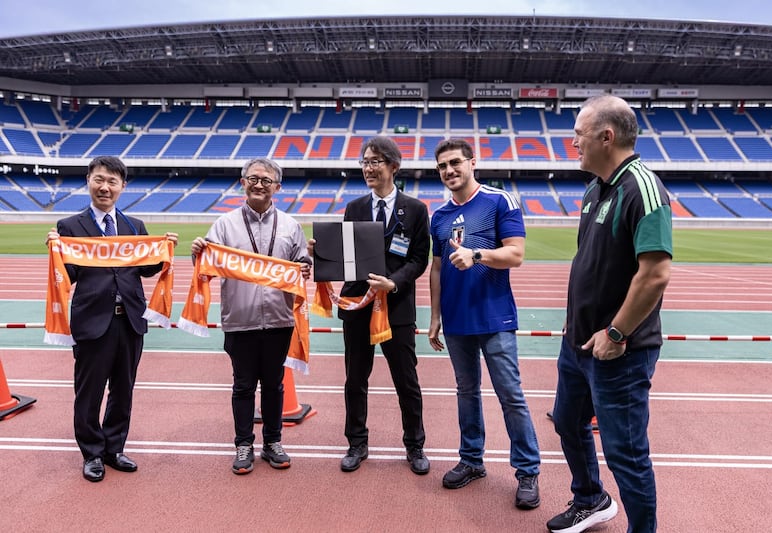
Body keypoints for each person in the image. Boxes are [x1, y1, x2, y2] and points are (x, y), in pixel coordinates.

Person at [546, 95, 672, 533]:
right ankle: (591, 499)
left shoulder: (643, 187)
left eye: (578, 133)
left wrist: (616, 333)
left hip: (620, 352)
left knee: (626, 453)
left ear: (607, 136)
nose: (572, 141)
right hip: (577, 344)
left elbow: (655, 274)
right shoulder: (595, 189)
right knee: (567, 422)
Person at [46, 155, 178, 482]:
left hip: (131, 319)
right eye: (99, 180)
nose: (105, 187)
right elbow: (71, 274)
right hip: (93, 320)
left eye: (112, 182)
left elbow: (145, 270)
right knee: (89, 392)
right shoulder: (70, 226)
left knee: (124, 389)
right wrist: (57, 251)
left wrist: (163, 252)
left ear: (123, 187)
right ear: (89, 181)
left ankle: (113, 448)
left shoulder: (135, 227)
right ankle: (91, 453)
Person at [428, 138, 542, 510]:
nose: (449, 171)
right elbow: (438, 268)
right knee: (466, 393)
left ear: (472, 162)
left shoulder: (499, 201)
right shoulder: (439, 216)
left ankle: (527, 471)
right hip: (457, 320)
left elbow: (516, 254)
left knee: (510, 394)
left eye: (456, 162)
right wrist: (434, 317)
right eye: (443, 166)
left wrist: (477, 254)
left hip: (495, 318)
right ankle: (472, 460)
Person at [308, 136, 431, 475]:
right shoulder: (355, 207)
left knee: (406, 380)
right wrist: (321, 254)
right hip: (358, 307)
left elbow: (420, 258)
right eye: (364, 162)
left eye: (375, 161)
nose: (368, 168)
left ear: (394, 165)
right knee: (355, 379)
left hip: (397, 308)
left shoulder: (417, 210)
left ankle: (415, 445)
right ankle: (356, 443)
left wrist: (394, 282)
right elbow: (347, 258)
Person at [190, 158, 311, 475]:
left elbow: (302, 265)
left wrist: (306, 267)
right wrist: (198, 254)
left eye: (266, 180)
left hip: (280, 319)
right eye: (253, 178)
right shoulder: (224, 224)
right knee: (243, 386)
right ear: (242, 182)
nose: (259, 184)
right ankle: (243, 444)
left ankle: (272, 441)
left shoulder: (290, 225)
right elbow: (208, 267)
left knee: (274, 386)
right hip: (240, 321)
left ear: (278, 187)